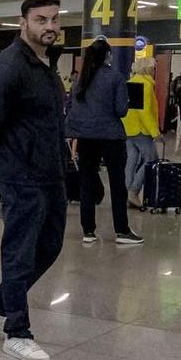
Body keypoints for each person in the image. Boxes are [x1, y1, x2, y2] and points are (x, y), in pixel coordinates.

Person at [0, 0, 69, 360]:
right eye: (42, 19)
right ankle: (17, 331)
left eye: (54, 19)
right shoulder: (10, 66)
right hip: (20, 173)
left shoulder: (45, 64)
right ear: (24, 23)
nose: (50, 26)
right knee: (20, 250)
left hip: (51, 171)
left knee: (50, 245)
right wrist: (16, 151)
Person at [64, 38, 145, 246]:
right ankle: (122, 230)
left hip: (86, 137)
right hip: (111, 137)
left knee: (86, 183)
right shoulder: (115, 78)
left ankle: (88, 231)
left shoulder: (81, 80)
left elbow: (75, 108)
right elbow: (121, 110)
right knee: (117, 185)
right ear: (108, 55)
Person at [123, 54, 160, 208]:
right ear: (148, 68)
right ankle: (134, 191)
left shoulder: (130, 83)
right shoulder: (144, 85)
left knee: (131, 160)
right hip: (141, 129)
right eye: (153, 68)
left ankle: (127, 194)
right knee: (151, 160)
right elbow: (143, 111)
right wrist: (155, 132)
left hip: (128, 128)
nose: (154, 71)